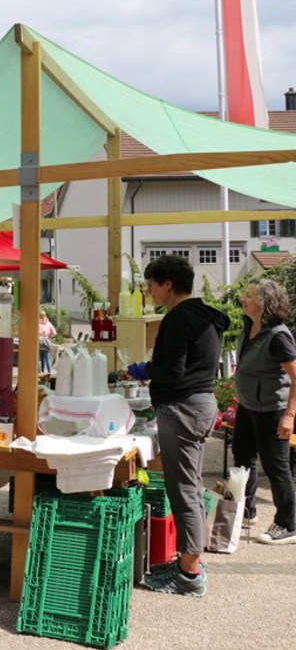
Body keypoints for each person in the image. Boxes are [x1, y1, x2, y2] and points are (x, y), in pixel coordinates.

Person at [126, 254, 228, 596]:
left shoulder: (178, 318)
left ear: (167, 284)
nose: (149, 291)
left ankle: (189, 574)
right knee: (191, 485)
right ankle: (191, 560)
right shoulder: (203, 314)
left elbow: (171, 372)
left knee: (182, 489)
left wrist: (143, 370)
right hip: (201, 405)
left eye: (151, 285)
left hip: (182, 408)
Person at [232, 278, 296, 545]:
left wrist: (290, 415)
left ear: (264, 303)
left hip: (272, 409)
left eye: (249, 295)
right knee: (242, 456)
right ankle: (247, 511)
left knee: (276, 466)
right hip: (248, 405)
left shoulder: (278, 336)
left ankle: (288, 524)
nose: (243, 299)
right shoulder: (249, 326)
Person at [38, 309, 57, 373]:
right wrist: (49, 336)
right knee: (47, 358)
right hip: (46, 341)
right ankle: (49, 372)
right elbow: (54, 333)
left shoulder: (37, 323)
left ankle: (40, 372)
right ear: (45, 315)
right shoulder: (48, 323)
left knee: (39, 359)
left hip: (39, 341)